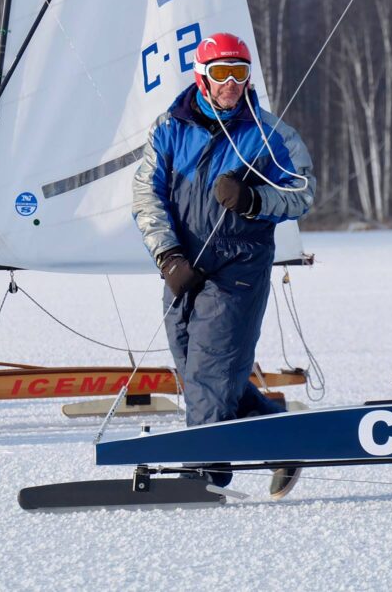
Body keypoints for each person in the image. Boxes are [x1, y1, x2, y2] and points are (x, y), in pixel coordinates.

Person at [132, 32, 315, 499]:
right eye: (222, 74)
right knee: (197, 369)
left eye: (240, 73)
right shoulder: (169, 128)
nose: (232, 83)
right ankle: (283, 438)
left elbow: (303, 193)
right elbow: (145, 193)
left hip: (240, 268)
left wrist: (254, 198)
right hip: (184, 267)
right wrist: (168, 256)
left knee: (209, 373)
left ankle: (204, 473)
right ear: (202, 77)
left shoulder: (270, 134)